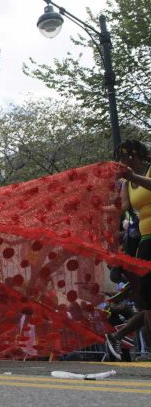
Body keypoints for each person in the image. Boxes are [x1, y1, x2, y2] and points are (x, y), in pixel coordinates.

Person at [106, 140, 151, 361]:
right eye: (122, 158)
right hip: (146, 241)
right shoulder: (127, 183)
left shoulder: (142, 175)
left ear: (139, 155)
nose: (124, 161)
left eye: (127, 156)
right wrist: (92, 206)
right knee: (148, 299)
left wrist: (134, 177)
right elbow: (121, 208)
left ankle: (119, 334)